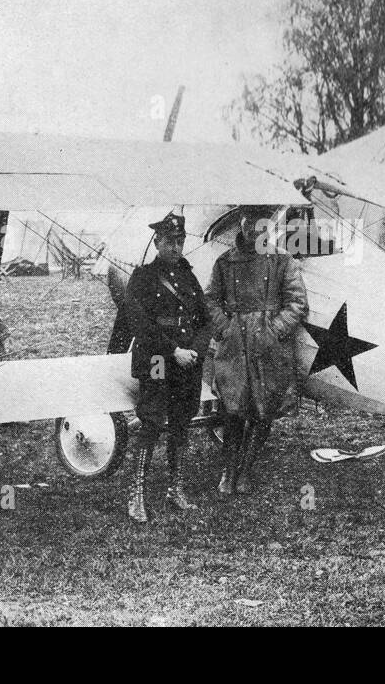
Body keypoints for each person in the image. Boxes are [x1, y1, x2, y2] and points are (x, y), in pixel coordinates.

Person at [205, 205, 308, 495]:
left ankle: (246, 469)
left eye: (261, 223)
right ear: (242, 223)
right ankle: (228, 471)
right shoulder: (225, 263)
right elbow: (210, 300)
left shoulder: (282, 262)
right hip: (236, 344)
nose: (254, 229)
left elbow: (297, 303)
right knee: (232, 407)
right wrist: (225, 329)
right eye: (249, 222)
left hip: (268, 345)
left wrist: (274, 331)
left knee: (265, 408)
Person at [120, 213, 211, 522]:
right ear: (157, 242)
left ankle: (175, 489)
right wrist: (174, 350)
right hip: (158, 359)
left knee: (182, 423)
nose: (176, 247)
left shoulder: (189, 276)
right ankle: (138, 495)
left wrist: (195, 351)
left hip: (188, 361)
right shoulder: (143, 277)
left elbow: (205, 321)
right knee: (152, 422)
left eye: (181, 241)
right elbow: (139, 324)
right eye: (170, 242)